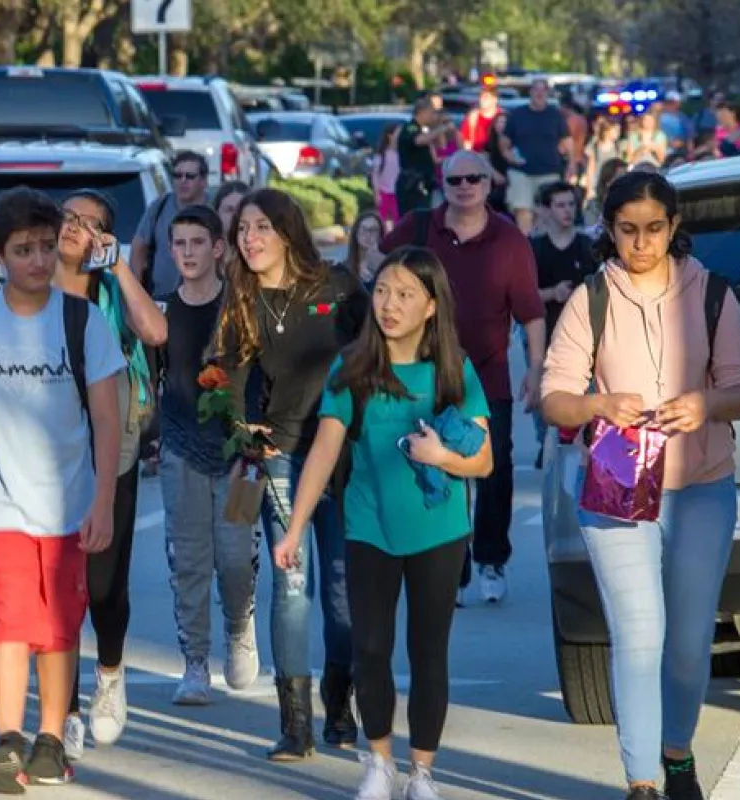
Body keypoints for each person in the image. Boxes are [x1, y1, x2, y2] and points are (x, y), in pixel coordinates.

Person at [541, 171, 740, 800]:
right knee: (640, 635)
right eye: (627, 230)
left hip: (702, 486)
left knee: (690, 644)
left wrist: (705, 403)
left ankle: (677, 754)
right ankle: (642, 782)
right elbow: (553, 397)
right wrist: (598, 405)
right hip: (619, 483)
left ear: (674, 227)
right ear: (609, 230)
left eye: (654, 229)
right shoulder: (592, 297)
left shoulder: (712, 293)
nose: (641, 243)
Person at [273, 246, 493, 800]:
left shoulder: (453, 371)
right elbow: (324, 451)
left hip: (439, 532)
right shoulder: (352, 369)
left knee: (428, 653)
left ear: (431, 306)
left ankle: (422, 773)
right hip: (369, 528)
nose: (390, 305)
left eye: (405, 295)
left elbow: (485, 460)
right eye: (384, 291)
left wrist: (442, 457)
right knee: (369, 648)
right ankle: (379, 761)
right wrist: (295, 528)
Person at [0, 187, 125, 792]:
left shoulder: (82, 320)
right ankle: (8, 739)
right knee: (6, 623)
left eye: (43, 247)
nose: (36, 260)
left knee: (59, 627)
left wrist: (104, 501)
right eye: (22, 250)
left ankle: (51, 739)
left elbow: (107, 418)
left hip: (67, 501)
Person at [214, 188, 369, 761]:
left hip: (344, 454)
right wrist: (241, 428)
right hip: (281, 454)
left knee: (342, 590)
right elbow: (224, 374)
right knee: (292, 584)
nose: (250, 238)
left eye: (261, 227)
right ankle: (295, 724)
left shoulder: (338, 286)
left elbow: (377, 351)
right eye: (242, 229)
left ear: (287, 232)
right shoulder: (242, 296)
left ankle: (340, 697)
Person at [379, 150, 545, 605]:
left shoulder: (509, 240)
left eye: (474, 179)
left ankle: (491, 557)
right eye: (455, 180)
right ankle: (452, 564)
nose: (465, 187)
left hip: (488, 374)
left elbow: (531, 312)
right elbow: (377, 265)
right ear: (443, 185)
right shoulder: (419, 228)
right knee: (436, 466)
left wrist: (535, 367)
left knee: (494, 467)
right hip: (426, 372)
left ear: (489, 184)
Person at [51, 189, 167, 756]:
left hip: (110, 449)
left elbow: (156, 333)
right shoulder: (31, 290)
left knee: (102, 586)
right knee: (58, 588)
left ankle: (111, 672)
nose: (74, 227)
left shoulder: (110, 295)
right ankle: (65, 713)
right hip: (47, 454)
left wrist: (119, 265)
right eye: (67, 217)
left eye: (89, 223)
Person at [157, 205, 260, 706]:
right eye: (180, 243)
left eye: (198, 242)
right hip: (180, 451)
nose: (189, 252)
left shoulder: (240, 307)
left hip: (242, 456)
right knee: (190, 562)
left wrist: (258, 435)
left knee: (237, 558)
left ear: (218, 248)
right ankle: (195, 662)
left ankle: (240, 625)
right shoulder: (163, 312)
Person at [528, 181, 594, 468]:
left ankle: (581, 438)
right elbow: (524, 294)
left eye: (571, 204)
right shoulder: (535, 249)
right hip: (544, 331)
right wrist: (552, 293)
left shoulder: (587, 246)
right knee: (545, 390)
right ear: (546, 210)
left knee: (581, 389)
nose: (567, 211)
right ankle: (546, 441)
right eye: (560, 205)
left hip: (583, 335)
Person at [131, 151, 211, 296]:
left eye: (190, 176)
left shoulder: (214, 210)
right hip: (160, 298)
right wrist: (136, 292)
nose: (183, 181)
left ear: (203, 181)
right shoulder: (159, 207)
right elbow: (139, 247)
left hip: (205, 298)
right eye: (178, 175)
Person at [500, 78, 572, 233]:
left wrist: (570, 166)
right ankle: (526, 243)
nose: (539, 93)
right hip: (521, 172)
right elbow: (504, 142)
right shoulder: (517, 114)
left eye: (543, 90)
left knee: (547, 213)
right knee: (523, 210)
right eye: (536, 90)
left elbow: (567, 142)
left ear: (547, 93)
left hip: (549, 171)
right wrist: (509, 156)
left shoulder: (555, 115)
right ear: (531, 92)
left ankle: (542, 244)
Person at [396, 97, 451, 214]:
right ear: (423, 112)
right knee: (415, 215)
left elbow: (437, 151)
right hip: (412, 183)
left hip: (425, 181)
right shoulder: (410, 127)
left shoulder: (423, 129)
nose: (432, 116)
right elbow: (418, 140)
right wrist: (442, 129)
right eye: (431, 112)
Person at [370, 125, 401, 224]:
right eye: (398, 133)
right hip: (383, 192)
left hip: (397, 193)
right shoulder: (381, 154)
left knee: (398, 220)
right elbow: (375, 174)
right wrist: (377, 193)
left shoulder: (402, 153)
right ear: (390, 136)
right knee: (381, 220)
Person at [346, 211, 386, 285]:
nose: (368, 234)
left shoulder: (387, 263)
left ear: (380, 234)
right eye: (364, 229)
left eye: (373, 230)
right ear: (356, 232)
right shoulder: (345, 267)